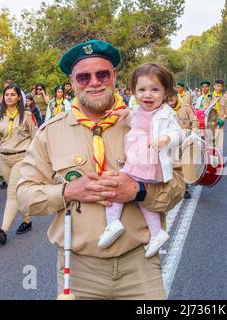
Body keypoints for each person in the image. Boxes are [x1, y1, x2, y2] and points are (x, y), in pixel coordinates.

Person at [17, 40, 185, 300]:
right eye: (84, 77)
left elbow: (178, 187)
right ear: (72, 82)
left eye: (102, 74)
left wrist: (138, 191)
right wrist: (69, 190)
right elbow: (25, 196)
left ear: (114, 77)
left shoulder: (148, 122)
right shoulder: (49, 132)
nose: (93, 82)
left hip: (140, 266)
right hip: (79, 272)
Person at [98, 62, 184, 258]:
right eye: (142, 89)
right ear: (134, 91)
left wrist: (167, 138)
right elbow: (135, 122)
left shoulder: (166, 113)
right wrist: (124, 114)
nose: (148, 95)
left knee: (118, 186)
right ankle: (157, 233)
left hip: (149, 162)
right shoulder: (136, 109)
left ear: (166, 92)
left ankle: (112, 223)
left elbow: (179, 134)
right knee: (142, 200)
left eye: (155, 90)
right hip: (137, 158)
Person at [0, 84, 38, 245]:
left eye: (12, 95)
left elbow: (36, 138)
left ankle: (3, 230)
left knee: (12, 194)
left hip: (21, 158)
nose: (9, 97)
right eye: (6, 94)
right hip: (4, 159)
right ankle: (27, 220)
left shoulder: (27, 116)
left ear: (18, 98)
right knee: (18, 194)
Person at [208, 80, 227, 151]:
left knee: (219, 143)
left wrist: (222, 119)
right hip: (210, 124)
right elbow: (204, 110)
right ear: (214, 86)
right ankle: (211, 160)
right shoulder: (209, 97)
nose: (220, 88)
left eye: (221, 86)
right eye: (218, 86)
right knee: (210, 143)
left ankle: (219, 160)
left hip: (220, 124)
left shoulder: (225, 99)